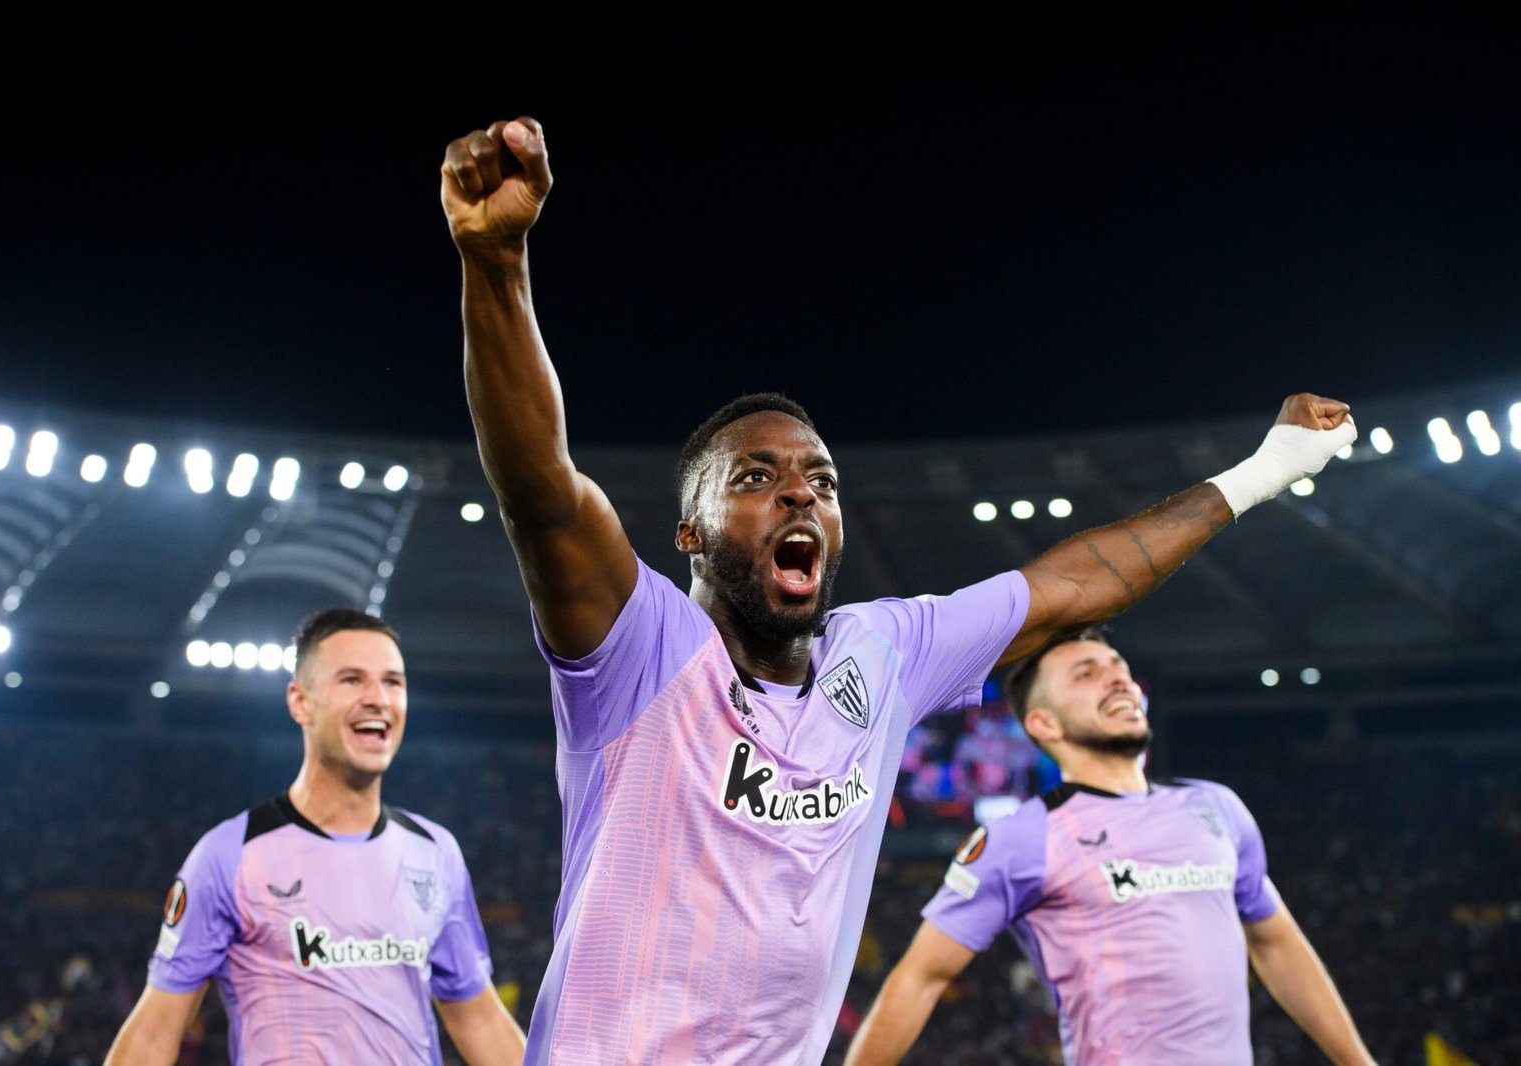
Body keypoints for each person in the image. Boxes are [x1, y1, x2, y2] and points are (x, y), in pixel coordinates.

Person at [440, 115, 1357, 1065]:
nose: (801, 488)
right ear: (689, 534)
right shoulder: (640, 653)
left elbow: (1075, 583)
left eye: (822, 481)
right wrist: (497, 264)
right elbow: (540, 491)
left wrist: (1263, 471)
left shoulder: (882, 653)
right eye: (754, 477)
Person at [843, 629, 1376, 1066]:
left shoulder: (1217, 807)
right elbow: (919, 977)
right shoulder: (1020, 838)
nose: (1116, 677)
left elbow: (1277, 944)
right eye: (1087, 674)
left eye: (1117, 665)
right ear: (1043, 723)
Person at [104, 608, 525, 1066]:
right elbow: (154, 1033)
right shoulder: (230, 856)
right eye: (352, 680)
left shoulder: (435, 852)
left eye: (393, 682)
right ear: (300, 701)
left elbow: (477, 1017)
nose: (378, 699)